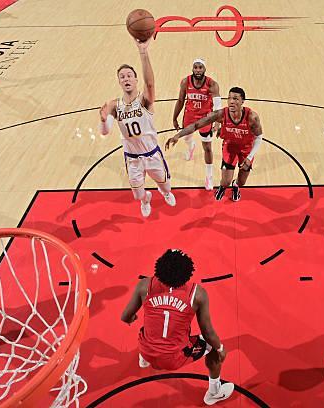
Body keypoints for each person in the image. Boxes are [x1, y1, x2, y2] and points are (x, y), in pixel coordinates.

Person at [121, 249, 234, 405]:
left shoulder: (144, 285)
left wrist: (132, 318)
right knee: (213, 348)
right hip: (173, 359)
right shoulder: (198, 294)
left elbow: (125, 317)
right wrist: (220, 349)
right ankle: (214, 392)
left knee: (149, 326)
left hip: (146, 349)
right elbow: (208, 333)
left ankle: (144, 360)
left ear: (159, 267)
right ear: (188, 272)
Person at [99, 38, 176, 218]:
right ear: (119, 82)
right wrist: (103, 120)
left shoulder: (144, 100)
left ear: (135, 80)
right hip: (132, 159)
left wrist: (143, 52)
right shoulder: (114, 105)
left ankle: (164, 192)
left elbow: (150, 84)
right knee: (138, 195)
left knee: (167, 186)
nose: (126, 78)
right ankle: (146, 199)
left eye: (129, 75)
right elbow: (105, 131)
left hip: (152, 154)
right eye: (122, 76)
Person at [166, 87, 263, 202]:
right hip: (229, 148)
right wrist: (178, 135)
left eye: (235, 99)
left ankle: (236, 185)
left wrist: (250, 157)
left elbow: (258, 137)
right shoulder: (221, 114)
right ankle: (223, 187)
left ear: (242, 101)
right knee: (225, 182)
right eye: (229, 98)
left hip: (246, 150)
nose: (231, 101)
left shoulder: (252, 117)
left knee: (242, 182)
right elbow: (196, 125)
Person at [172, 58, 222, 190]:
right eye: (196, 67)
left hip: (205, 119)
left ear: (205, 69)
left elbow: (218, 105)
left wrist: (217, 122)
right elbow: (180, 100)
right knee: (186, 138)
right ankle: (191, 147)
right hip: (189, 116)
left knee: (207, 147)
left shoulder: (212, 84)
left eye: (200, 67)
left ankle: (209, 176)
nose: (198, 70)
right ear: (192, 69)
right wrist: (174, 118)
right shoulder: (185, 82)